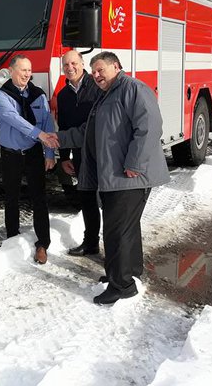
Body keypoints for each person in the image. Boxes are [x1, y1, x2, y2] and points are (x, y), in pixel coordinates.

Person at [45, 51, 170, 304]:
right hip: (116, 175)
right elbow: (88, 131)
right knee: (126, 228)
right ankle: (127, 273)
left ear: (116, 66)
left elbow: (150, 126)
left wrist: (135, 162)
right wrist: (59, 138)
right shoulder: (106, 96)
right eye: (94, 71)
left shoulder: (132, 89)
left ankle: (121, 285)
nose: (97, 75)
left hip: (129, 175)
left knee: (116, 231)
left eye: (101, 69)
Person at [0, 54, 55, 264]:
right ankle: (12, 240)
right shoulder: (1, 96)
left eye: (29, 70)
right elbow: (13, 119)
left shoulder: (38, 95)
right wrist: (40, 135)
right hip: (11, 155)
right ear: (11, 71)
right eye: (23, 70)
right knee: (11, 199)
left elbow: (47, 122)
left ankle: (43, 244)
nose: (27, 74)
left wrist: (49, 153)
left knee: (39, 199)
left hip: (34, 154)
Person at [56, 50, 102, 257]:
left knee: (109, 201)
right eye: (66, 65)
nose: (70, 68)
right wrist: (65, 157)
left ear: (83, 64)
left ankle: (115, 248)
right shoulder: (64, 95)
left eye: (74, 63)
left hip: (102, 153)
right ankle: (91, 243)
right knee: (87, 198)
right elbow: (64, 127)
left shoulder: (98, 87)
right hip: (81, 155)